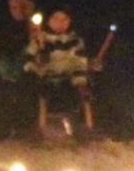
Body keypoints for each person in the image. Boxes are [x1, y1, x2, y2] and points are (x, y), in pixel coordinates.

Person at [29, 9, 94, 140]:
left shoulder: (76, 41)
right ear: (48, 21)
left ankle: (86, 127)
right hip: (45, 78)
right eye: (56, 19)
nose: (60, 23)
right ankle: (39, 129)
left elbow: (79, 63)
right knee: (41, 94)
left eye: (64, 19)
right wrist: (39, 62)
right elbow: (29, 60)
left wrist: (80, 81)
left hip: (69, 79)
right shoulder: (40, 39)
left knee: (85, 95)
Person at [0, 0, 42, 142]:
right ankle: (0, 127)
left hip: (28, 69)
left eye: (22, 7)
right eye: (14, 7)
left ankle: (22, 127)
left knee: (23, 92)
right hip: (8, 68)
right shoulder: (6, 27)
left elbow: (37, 49)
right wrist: (0, 60)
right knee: (7, 92)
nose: (18, 11)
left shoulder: (34, 27)